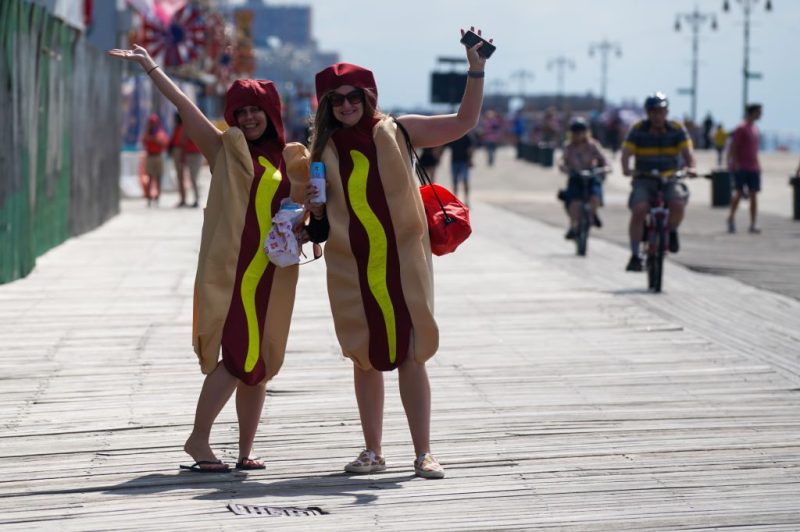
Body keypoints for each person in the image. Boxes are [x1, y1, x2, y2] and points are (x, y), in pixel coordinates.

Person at [287, 27, 491, 479]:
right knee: (364, 354)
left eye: (353, 97)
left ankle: (424, 453)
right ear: (325, 105)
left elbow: (463, 122)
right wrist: (309, 219)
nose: (346, 106)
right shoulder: (320, 151)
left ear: (368, 96)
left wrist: (474, 69)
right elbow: (319, 222)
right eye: (336, 100)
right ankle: (372, 451)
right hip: (352, 265)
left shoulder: (397, 130)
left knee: (412, 353)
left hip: (403, 262)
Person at [108, 44, 321, 472]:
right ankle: (198, 439)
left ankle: (245, 450)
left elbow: (305, 211)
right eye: (240, 111)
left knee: (260, 365)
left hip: (274, 275)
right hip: (238, 273)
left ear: (271, 111)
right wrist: (151, 65)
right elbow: (186, 108)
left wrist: (310, 213)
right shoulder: (225, 150)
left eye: (255, 110)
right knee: (240, 357)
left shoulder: (293, 159)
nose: (247, 118)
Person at [621, 92, 696, 272]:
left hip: (670, 176)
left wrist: (691, 168)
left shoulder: (676, 129)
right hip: (644, 177)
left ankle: (671, 231)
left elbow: (688, 154)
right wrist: (626, 168)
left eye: (661, 112)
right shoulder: (638, 129)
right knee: (639, 209)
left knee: (677, 203)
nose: (657, 116)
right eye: (653, 112)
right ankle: (634, 255)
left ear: (667, 112)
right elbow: (626, 153)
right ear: (647, 113)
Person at [559, 117, 610, 240]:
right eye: (576, 132)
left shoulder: (593, 145)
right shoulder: (569, 147)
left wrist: (605, 168)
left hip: (591, 175)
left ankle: (593, 215)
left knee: (595, 196)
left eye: (581, 131)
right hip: (576, 176)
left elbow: (604, 160)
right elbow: (562, 161)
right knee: (573, 202)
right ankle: (573, 226)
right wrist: (564, 168)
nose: (578, 135)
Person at [726, 103, 763, 234]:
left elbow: (754, 150)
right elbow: (734, 146)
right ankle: (731, 218)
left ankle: (753, 223)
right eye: (759, 112)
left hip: (753, 167)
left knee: (754, 194)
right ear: (752, 112)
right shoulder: (741, 128)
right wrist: (733, 163)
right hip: (741, 166)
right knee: (739, 193)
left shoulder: (755, 128)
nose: (761, 114)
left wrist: (758, 165)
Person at [170, 113, 202, 208]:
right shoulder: (180, 127)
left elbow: (183, 141)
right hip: (188, 153)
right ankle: (184, 199)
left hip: (194, 154)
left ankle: (196, 199)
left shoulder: (189, 127)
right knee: (182, 177)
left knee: (193, 178)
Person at [142, 113, 169, 207]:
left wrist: (153, 139)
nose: (152, 124)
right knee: (149, 178)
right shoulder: (147, 132)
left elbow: (163, 142)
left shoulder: (160, 132)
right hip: (150, 156)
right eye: (151, 123)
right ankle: (149, 197)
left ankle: (157, 197)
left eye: (153, 123)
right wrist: (150, 136)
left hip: (158, 157)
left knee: (158, 178)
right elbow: (143, 140)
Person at [447, 132, 474, 206]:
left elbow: (470, 149)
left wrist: (470, 160)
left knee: (464, 181)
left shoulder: (466, 136)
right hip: (455, 161)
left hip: (463, 162)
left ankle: (466, 200)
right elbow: (445, 146)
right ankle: (456, 200)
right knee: (456, 182)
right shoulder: (453, 136)